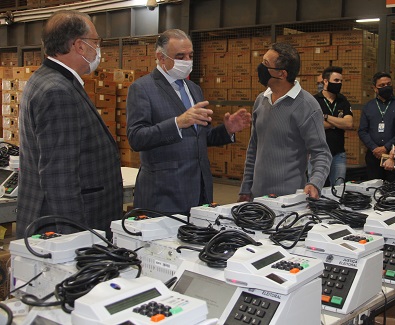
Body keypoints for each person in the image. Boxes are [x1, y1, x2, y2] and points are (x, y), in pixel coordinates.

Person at [16, 10, 123, 238]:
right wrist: (76, 237)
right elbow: (59, 175)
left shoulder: (47, 79)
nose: (98, 48)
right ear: (79, 46)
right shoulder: (57, 91)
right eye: (96, 41)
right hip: (71, 225)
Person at [127, 29, 251, 216]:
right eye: (180, 56)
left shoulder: (194, 89)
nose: (186, 61)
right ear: (161, 57)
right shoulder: (143, 89)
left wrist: (227, 130)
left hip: (199, 191)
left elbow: (201, 137)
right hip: (163, 194)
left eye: (190, 55)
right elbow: (136, 138)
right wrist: (177, 123)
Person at [238, 43, 332, 201]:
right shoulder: (261, 100)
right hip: (257, 196)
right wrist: (246, 188)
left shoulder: (307, 106)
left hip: (289, 200)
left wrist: (315, 183)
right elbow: (254, 147)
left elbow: (321, 152)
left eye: (266, 64)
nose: (260, 67)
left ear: (281, 74)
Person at [358, 72, 395, 181]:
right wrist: (374, 148)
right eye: (382, 86)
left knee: (393, 190)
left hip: (394, 155)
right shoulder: (368, 106)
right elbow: (362, 131)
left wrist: (386, 147)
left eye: (388, 84)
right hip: (373, 155)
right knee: (373, 188)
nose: (386, 87)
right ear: (375, 88)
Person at [313, 66, 353, 186]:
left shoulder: (343, 100)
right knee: (316, 188)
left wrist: (325, 117)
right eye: (336, 81)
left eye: (341, 81)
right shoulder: (315, 100)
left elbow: (349, 123)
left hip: (338, 154)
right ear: (325, 81)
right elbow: (315, 125)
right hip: (318, 154)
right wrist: (338, 122)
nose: (339, 83)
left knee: (338, 189)